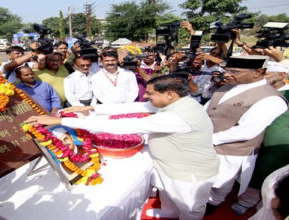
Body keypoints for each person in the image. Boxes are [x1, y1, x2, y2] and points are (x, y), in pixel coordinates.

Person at [26, 75, 220, 220]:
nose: (145, 95)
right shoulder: (176, 102)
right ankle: (169, 212)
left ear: (169, 94)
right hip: (171, 164)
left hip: (189, 172)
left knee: (189, 206)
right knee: (168, 195)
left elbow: (118, 126)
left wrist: (58, 120)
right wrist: (89, 108)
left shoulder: (177, 116)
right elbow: (133, 107)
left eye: (150, 93)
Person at [204, 56, 288, 215]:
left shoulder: (271, 99)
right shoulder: (227, 87)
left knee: (218, 186)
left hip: (231, 152)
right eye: (227, 70)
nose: (227, 74)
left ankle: (209, 208)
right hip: (204, 145)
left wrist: (206, 139)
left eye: (235, 71)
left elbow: (246, 131)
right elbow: (206, 111)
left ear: (258, 72)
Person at [230, 61, 289, 215]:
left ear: (281, 75)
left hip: (276, 146)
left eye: (267, 74)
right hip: (249, 139)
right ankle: (244, 199)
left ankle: (258, 204)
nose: (264, 77)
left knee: (265, 173)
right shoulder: (256, 90)